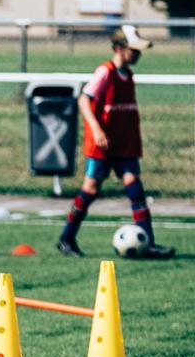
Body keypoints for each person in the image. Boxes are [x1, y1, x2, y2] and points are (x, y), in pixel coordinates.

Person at [57, 25, 175, 259]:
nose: (139, 54)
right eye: (135, 50)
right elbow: (83, 99)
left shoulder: (128, 75)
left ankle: (148, 243)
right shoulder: (105, 72)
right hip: (102, 145)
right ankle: (66, 238)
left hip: (125, 144)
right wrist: (97, 130)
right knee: (90, 189)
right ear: (120, 49)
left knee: (135, 188)